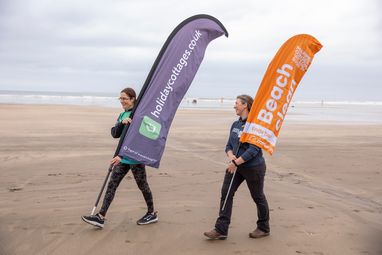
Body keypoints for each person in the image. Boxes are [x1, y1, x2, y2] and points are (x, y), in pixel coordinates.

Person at [82, 87, 158, 228]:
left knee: (143, 185)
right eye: (120, 98)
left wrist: (121, 155)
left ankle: (152, 213)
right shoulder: (123, 115)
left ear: (133, 99)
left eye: (125, 98)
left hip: (134, 157)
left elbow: (137, 139)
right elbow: (114, 134)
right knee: (112, 185)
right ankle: (100, 216)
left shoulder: (139, 115)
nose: (122, 101)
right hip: (122, 157)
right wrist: (121, 124)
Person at [204, 94, 270, 240]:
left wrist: (235, 163)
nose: (234, 106)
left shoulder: (255, 125)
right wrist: (230, 156)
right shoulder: (235, 125)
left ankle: (263, 227)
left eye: (237, 103)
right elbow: (228, 145)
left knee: (258, 197)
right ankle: (221, 229)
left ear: (245, 105)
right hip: (235, 166)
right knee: (226, 193)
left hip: (254, 168)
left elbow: (254, 150)